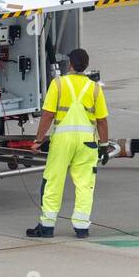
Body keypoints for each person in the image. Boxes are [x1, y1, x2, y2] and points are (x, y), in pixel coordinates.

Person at [26, 48, 108, 239]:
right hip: (87, 142)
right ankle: (81, 227)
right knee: (85, 184)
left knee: (53, 181)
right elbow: (102, 120)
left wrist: (38, 140)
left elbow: (48, 115)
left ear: (70, 64)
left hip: (63, 140)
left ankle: (46, 226)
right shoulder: (95, 88)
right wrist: (103, 146)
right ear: (86, 65)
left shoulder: (58, 84)